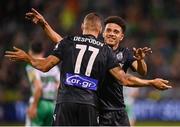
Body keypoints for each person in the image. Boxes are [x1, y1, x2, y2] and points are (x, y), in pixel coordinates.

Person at [5, 12, 171, 126]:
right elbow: (124, 79)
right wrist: (150, 83)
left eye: (116, 31)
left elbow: (56, 52)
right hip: (93, 106)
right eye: (109, 30)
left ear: (122, 36)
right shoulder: (103, 50)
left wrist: (28, 57)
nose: (112, 34)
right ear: (101, 32)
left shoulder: (124, 53)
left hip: (108, 107)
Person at [25, 42, 60, 126]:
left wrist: (33, 106)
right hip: (52, 105)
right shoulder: (53, 66)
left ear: (30, 52)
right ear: (42, 51)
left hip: (40, 103)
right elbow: (59, 86)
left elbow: (38, 87)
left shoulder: (31, 66)